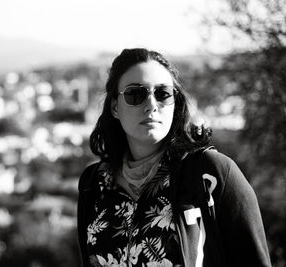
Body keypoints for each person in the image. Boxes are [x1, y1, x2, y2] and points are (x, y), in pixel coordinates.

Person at [77, 48, 271, 267]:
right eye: (135, 94)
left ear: (175, 103)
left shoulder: (211, 173)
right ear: (114, 106)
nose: (151, 105)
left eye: (163, 94)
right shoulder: (94, 183)